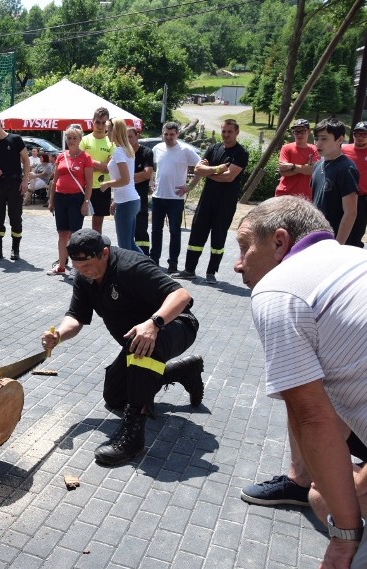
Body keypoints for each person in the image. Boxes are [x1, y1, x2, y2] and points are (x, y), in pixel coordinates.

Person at [233, 196, 367, 568]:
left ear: (279, 242)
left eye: (244, 247)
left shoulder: (279, 289)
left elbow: (312, 416)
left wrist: (343, 535)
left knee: (329, 506)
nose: (237, 264)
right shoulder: (355, 258)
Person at [40, 228, 205, 466]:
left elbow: (181, 295)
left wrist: (154, 323)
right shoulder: (84, 276)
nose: (82, 272)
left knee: (142, 349)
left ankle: (133, 437)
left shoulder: (130, 266)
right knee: (115, 396)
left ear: (104, 253)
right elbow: (76, 317)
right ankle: (181, 371)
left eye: (86, 266)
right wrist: (59, 335)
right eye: (76, 266)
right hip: (136, 343)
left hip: (175, 326)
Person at [173, 119, 249, 284]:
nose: (226, 135)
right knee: (197, 233)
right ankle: (189, 270)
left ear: (237, 132)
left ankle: (211, 272)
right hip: (206, 200)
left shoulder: (241, 153)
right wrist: (216, 169)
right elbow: (198, 169)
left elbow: (229, 177)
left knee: (218, 237)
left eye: (229, 132)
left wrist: (209, 172)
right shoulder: (214, 148)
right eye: (224, 131)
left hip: (225, 202)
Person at [150, 122, 201, 273]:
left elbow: (201, 167)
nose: (168, 137)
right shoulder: (156, 148)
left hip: (176, 199)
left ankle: (173, 263)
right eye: (166, 134)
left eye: (172, 134)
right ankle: (154, 260)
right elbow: (152, 168)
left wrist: (190, 186)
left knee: (175, 231)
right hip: (158, 197)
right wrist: (151, 180)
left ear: (178, 134)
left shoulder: (185, 150)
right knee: (156, 231)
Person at [46, 125, 93, 276]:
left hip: (76, 198)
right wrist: (51, 200)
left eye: (74, 138)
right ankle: (61, 266)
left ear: (80, 139)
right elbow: (55, 180)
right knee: (62, 234)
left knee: (75, 235)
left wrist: (86, 202)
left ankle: (76, 268)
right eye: (69, 138)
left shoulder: (85, 157)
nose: (71, 141)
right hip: (60, 198)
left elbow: (89, 183)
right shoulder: (61, 156)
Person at [0, 114, 29, 260]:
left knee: (15, 216)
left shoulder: (15, 139)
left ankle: (15, 249)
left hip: (15, 184)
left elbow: (26, 161)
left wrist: (25, 181)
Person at [310, 118, 361, 247]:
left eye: (324, 139)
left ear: (340, 140)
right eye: (316, 138)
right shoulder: (317, 165)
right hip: (316, 235)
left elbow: (351, 212)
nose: (318, 143)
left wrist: (337, 245)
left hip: (334, 240)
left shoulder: (346, 168)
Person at [99, 120, 141, 254]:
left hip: (126, 202)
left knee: (125, 246)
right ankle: (149, 270)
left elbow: (125, 179)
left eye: (108, 130)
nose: (106, 133)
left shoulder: (119, 151)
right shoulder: (125, 150)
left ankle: (142, 272)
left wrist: (107, 184)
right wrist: (115, 200)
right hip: (130, 200)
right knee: (130, 244)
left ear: (115, 131)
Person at [81, 107, 114, 234]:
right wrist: (97, 165)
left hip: (102, 187)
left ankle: (96, 250)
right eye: (98, 122)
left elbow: (108, 168)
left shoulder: (111, 142)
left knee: (97, 225)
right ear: (92, 122)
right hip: (84, 185)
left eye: (103, 123)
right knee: (77, 221)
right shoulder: (84, 140)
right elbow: (80, 162)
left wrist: (88, 162)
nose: (100, 126)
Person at [274, 118, 319, 199]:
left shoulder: (314, 149)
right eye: (296, 131)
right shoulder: (286, 148)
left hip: (306, 195)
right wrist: (304, 167)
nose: (299, 134)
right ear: (293, 133)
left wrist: (292, 166)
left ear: (309, 131)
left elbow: (312, 170)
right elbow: (283, 172)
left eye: (303, 131)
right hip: (285, 193)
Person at [128, 126, 153, 255]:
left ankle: (144, 257)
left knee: (141, 229)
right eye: (125, 137)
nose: (128, 140)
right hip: (126, 198)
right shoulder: (124, 153)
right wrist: (137, 176)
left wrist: (127, 178)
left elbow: (147, 174)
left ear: (137, 136)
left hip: (140, 198)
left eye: (130, 136)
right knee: (127, 231)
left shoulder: (146, 153)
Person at [342, 121, 367, 248]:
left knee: (358, 230)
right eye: (357, 134)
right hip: (345, 195)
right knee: (341, 226)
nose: (360, 137)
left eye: (364, 134)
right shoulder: (343, 149)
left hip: (363, 198)